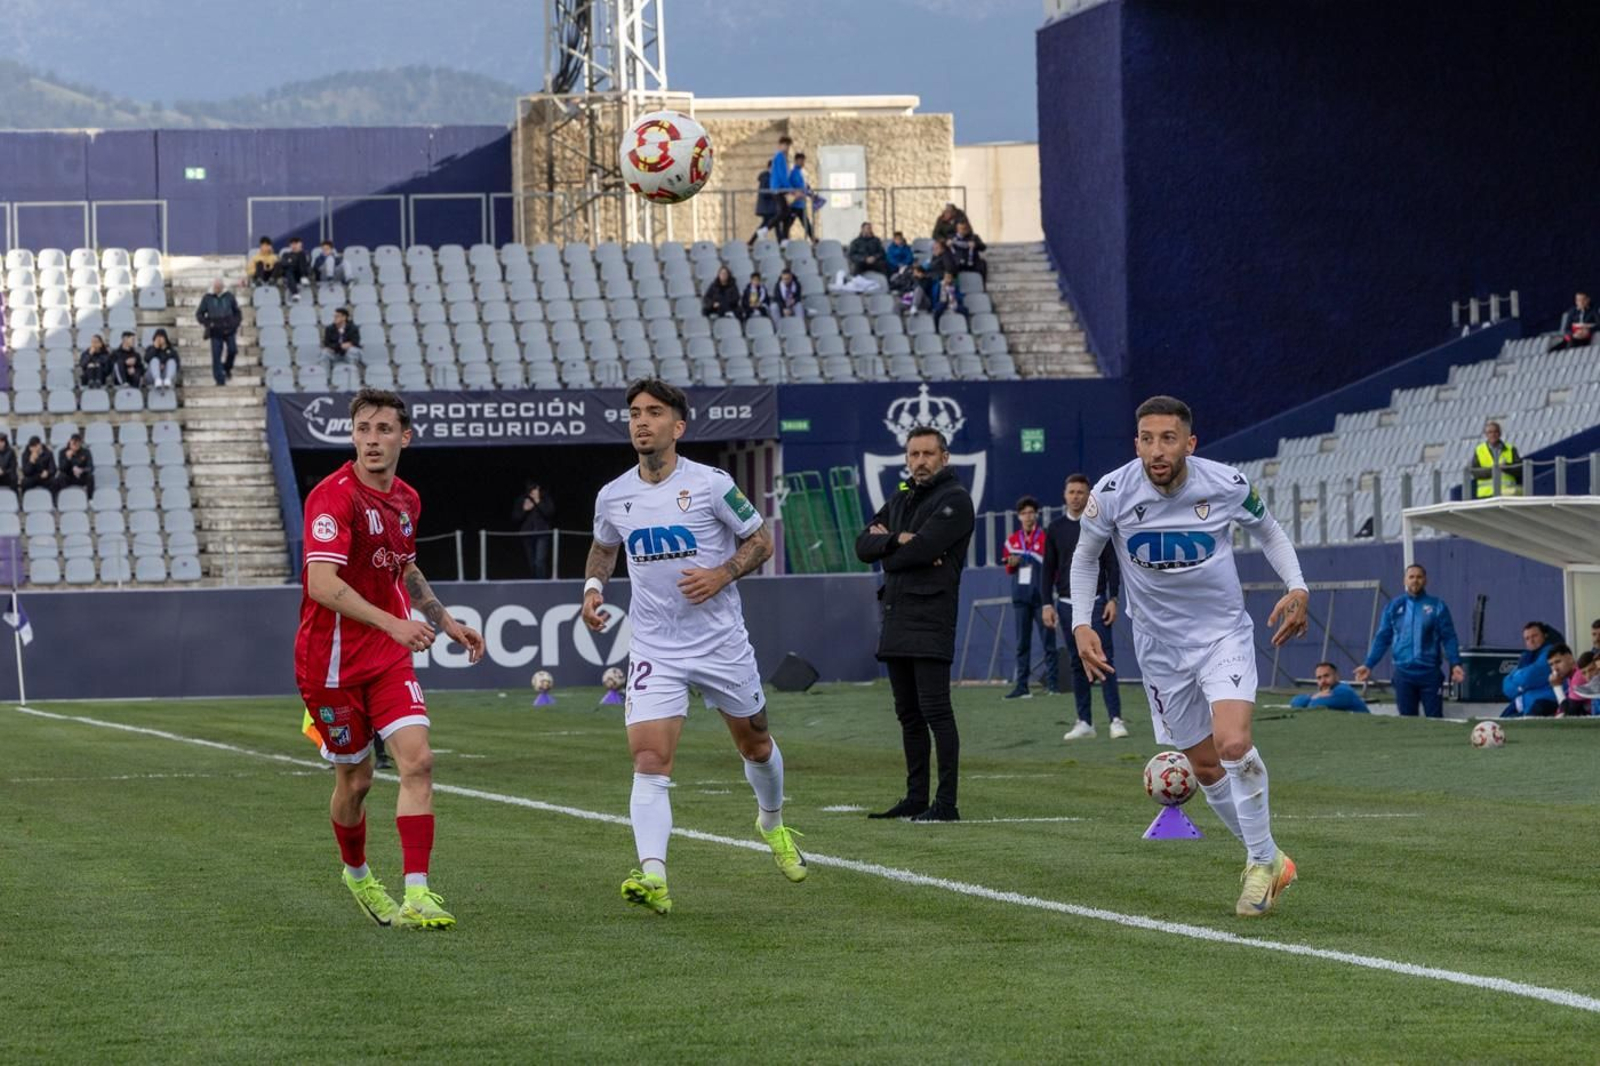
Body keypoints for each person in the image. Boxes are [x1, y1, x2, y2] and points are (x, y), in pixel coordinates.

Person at [1071, 395, 1310, 917]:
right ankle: (1271, 859)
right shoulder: (1111, 494)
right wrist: (1081, 622)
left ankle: (1259, 864)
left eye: (1169, 438)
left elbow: (1269, 530)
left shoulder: (1225, 485)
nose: (1157, 450)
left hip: (1222, 636)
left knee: (1232, 741)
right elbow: (1086, 555)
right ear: (1137, 443)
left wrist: (1297, 587)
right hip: (1159, 649)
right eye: (1148, 439)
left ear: (1190, 443)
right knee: (1204, 767)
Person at [581, 378, 799, 915]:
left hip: (721, 642)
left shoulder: (711, 484)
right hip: (656, 645)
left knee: (756, 745)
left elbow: (761, 540)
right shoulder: (613, 495)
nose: (641, 421)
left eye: (653, 413)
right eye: (634, 412)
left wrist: (722, 573)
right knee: (650, 760)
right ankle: (654, 875)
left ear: (677, 427)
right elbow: (603, 547)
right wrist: (592, 589)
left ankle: (771, 821)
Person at [297, 388, 485, 930]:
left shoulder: (406, 499)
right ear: (352, 435)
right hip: (329, 662)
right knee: (354, 783)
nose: (372, 440)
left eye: (383, 429)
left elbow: (403, 569)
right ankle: (356, 875)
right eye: (363, 429)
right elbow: (321, 584)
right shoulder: (332, 498)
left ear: (405, 437)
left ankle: (418, 893)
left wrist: (445, 622)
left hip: (385, 658)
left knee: (418, 761)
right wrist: (395, 623)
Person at [855, 427, 976, 822]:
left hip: (931, 618)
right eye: (913, 454)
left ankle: (946, 803)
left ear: (944, 457)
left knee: (936, 711)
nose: (920, 461)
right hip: (896, 617)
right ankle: (915, 797)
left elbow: (917, 549)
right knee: (907, 714)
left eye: (927, 454)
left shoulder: (956, 500)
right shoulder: (903, 496)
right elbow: (862, 546)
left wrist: (891, 546)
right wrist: (900, 540)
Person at [1041, 473, 1127, 739]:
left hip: (1097, 602)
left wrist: (1114, 598)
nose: (1076, 496)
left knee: (1104, 659)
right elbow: (1048, 569)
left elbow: (1112, 563)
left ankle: (1115, 719)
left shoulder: (1099, 522)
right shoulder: (1055, 529)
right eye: (1072, 492)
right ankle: (1084, 722)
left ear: (1089, 495)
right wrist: (1046, 604)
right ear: (1064, 495)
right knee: (1079, 663)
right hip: (1066, 605)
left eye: (1081, 492)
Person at [1354, 564, 1465, 718]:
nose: (1415, 580)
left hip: (1430, 674)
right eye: (1411, 577)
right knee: (1407, 720)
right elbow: (1382, 638)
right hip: (1403, 674)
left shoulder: (1437, 606)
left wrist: (1455, 663)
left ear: (1425, 580)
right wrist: (1369, 664)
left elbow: (1449, 637)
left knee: (1435, 719)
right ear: (1404, 580)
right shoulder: (1394, 606)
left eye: (1419, 577)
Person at [1001, 496, 1057, 700]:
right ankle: (1022, 686)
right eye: (1024, 513)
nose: (1028, 516)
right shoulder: (1012, 540)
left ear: (1037, 515)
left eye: (1031, 512)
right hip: (1021, 597)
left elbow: (1053, 567)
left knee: (1048, 642)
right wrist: (1012, 562)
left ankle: (1053, 685)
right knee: (1021, 643)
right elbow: (1008, 569)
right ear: (1018, 516)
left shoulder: (1045, 538)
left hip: (1042, 598)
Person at [1500, 621, 1558, 717]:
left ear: (1545, 635)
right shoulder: (1526, 656)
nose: (1531, 640)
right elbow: (1506, 685)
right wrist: (1521, 686)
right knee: (1498, 723)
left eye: (1534, 636)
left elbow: (1529, 677)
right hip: (1524, 702)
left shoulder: (1551, 652)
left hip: (1545, 702)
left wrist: (1518, 685)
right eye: (1527, 638)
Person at [196, 278, 242, 385]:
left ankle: (227, 368)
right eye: (215, 287)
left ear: (222, 287)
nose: (217, 289)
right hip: (215, 330)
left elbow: (237, 312)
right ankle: (219, 380)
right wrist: (208, 323)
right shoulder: (207, 298)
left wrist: (234, 323)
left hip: (229, 329)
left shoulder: (229, 296)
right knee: (216, 356)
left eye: (219, 288)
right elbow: (199, 314)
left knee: (233, 350)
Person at [513, 481, 555, 579]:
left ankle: (542, 584)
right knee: (532, 563)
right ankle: (535, 581)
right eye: (531, 490)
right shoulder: (522, 500)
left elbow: (550, 513)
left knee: (539, 561)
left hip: (542, 533)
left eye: (535, 489)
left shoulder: (544, 498)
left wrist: (538, 502)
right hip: (527, 534)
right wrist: (524, 510)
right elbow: (515, 517)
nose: (533, 492)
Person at [1290, 662, 1370, 712]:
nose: (1323, 681)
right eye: (1319, 678)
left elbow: (1315, 705)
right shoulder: (1325, 692)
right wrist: (1314, 696)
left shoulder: (1344, 691)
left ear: (1337, 676)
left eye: (1326, 676)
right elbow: (1294, 702)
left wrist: (1314, 698)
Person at [1469, 420, 1520, 497]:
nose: (1493, 435)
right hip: (1486, 495)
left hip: (1507, 494)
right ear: (1486, 434)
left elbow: (1519, 469)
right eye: (1490, 432)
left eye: (1495, 432)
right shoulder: (1479, 450)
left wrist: (1507, 467)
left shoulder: (1511, 449)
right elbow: (1475, 472)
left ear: (1500, 433)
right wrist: (1493, 470)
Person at [782, 153, 817, 241]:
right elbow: (796, 186)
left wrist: (808, 192)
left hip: (800, 204)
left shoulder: (800, 173)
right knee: (789, 223)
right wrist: (804, 192)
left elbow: (803, 186)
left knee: (805, 222)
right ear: (797, 161)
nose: (803, 163)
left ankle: (813, 238)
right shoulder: (794, 173)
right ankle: (783, 239)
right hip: (794, 204)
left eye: (803, 161)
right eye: (801, 161)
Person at [748, 164, 780, 245]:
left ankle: (781, 240)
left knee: (772, 224)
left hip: (769, 206)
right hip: (767, 206)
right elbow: (765, 193)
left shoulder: (768, 177)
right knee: (768, 224)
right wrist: (775, 193)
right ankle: (751, 241)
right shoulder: (766, 177)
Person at [277, 236, 311, 301]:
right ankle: (295, 293)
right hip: (291, 276)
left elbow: (308, 263)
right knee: (288, 270)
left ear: (300, 244)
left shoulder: (304, 254)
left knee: (301, 255)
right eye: (292, 244)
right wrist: (293, 263)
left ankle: (303, 277)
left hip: (300, 273)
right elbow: (283, 263)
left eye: (296, 244)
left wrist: (291, 261)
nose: (294, 246)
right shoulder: (286, 254)